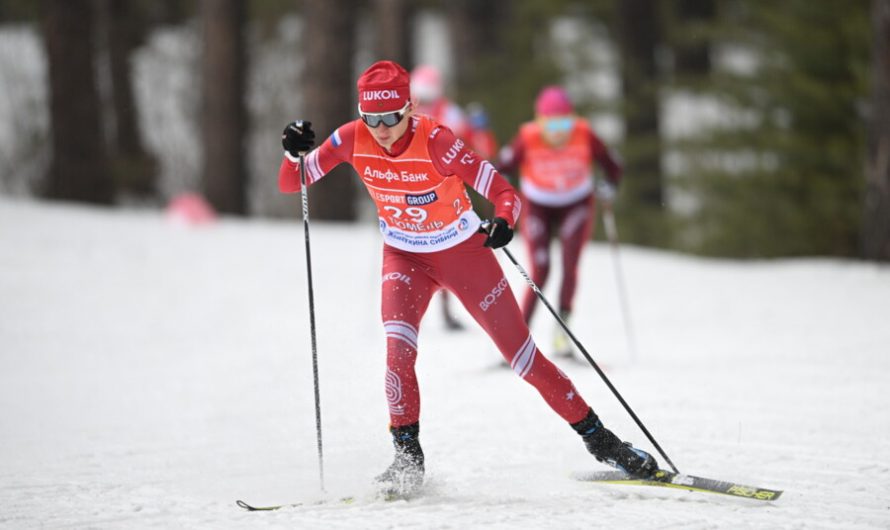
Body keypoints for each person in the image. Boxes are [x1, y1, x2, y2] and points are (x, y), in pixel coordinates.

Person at [277, 61, 656, 496]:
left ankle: (605, 444)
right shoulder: (350, 138)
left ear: (410, 108)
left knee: (525, 361)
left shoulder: (437, 141)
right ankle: (407, 460)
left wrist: (504, 221)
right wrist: (292, 153)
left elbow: (503, 191)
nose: (381, 129)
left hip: (463, 254)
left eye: (391, 118)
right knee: (398, 353)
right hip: (404, 258)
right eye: (372, 118)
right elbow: (294, 183)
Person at [498, 86, 623, 358]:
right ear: (539, 121)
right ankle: (517, 342)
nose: (559, 131)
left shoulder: (584, 134)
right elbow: (500, 167)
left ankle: (561, 336)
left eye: (564, 122)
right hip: (538, 203)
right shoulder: (527, 137)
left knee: (569, 264)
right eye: (551, 124)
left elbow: (613, 164)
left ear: (573, 118)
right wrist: (503, 193)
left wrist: (609, 186)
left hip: (575, 202)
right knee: (540, 269)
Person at [409, 65, 470, 331]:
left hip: (441, 189)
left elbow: (465, 143)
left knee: (443, 246)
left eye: (428, 99)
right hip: (409, 188)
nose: (424, 105)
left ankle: (446, 309)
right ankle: (409, 307)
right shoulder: (404, 110)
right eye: (420, 99)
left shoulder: (450, 112)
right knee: (412, 247)